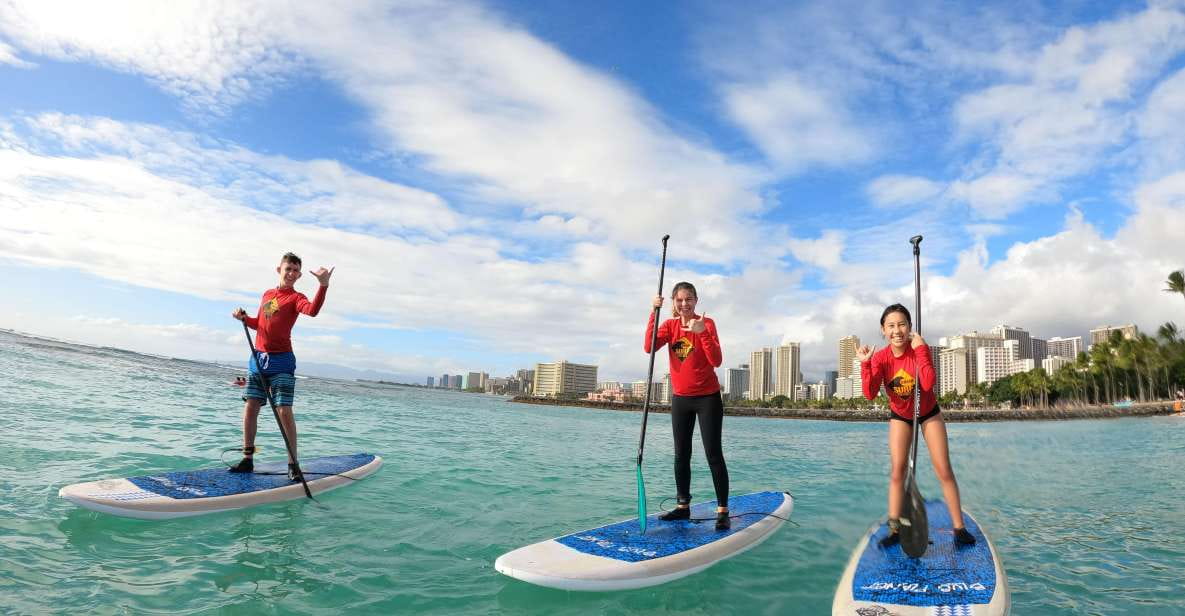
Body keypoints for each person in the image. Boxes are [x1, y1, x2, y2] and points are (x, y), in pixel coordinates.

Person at [858, 303, 975, 547]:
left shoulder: (919, 349)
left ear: (910, 327)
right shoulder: (880, 358)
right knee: (897, 471)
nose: (897, 330)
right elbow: (869, 394)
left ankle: (959, 529)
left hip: (928, 412)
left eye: (902, 324)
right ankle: (895, 531)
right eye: (891, 326)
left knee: (944, 469)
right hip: (901, 415)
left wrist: (921, 350)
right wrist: (866, 363)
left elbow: (929, 382)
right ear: (883, 330)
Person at [228, 252, 334, 481]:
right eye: (288, 269)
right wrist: (244, 318)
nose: (292, 274)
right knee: (250, 408)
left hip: (282, 360)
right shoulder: (267, 294)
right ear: (279, 269)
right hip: (258, 360)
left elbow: (313, 311)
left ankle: (293, 464)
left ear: (299, 274)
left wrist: (323, 286)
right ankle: (248, 459)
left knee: (284, 411)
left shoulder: (297, 298)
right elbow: (260, 324)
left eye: (296, 270)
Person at [644, 281, 730, 531]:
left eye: (689, 299)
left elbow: (716, 360)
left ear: (696, 300)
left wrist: (701, 331)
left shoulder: (708, 323)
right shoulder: (669, 326)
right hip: (681, 398)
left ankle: (722, 510)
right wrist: (654, 312)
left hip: (708, 398)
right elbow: (649, 347)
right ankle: (683, 507)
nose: (684, 304)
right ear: (673, 302)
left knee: (713, 454)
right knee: (681, 454)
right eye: (679, 300)